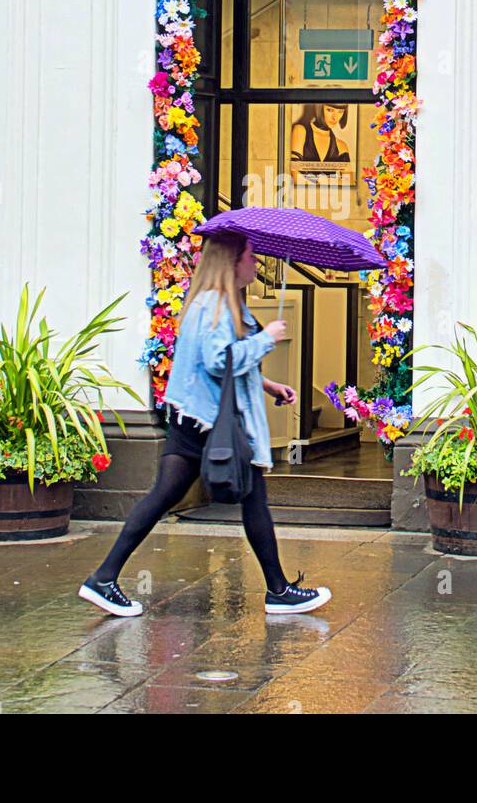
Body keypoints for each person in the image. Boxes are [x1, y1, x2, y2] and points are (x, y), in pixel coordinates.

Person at [80, 232, 331, 617]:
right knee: (253, 499)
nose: (255, 263)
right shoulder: (215, 304)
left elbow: (217, 363)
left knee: (163, 497)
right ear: (232, 261)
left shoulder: (213, 302)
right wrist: (266, 339)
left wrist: (267, 385)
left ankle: (103, 577)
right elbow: (219, 361)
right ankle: (278, 591)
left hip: (193, 418)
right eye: (250, 256)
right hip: (212, 423)